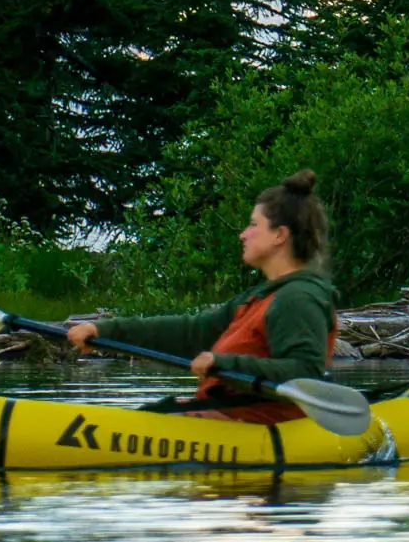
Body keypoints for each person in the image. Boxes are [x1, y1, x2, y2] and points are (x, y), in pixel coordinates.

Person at [69, 169, 338, 424]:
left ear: (280, 235)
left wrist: (223, 363)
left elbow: (305, 373)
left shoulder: (298, 298)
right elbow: (193, 331)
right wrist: (104, 331)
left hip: (259, 426)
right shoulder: (259, 298)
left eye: (254, 224)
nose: (243, 234)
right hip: (232, 417)